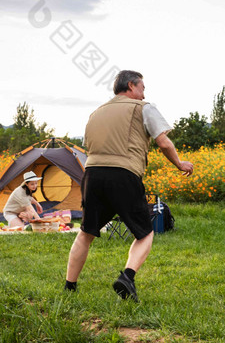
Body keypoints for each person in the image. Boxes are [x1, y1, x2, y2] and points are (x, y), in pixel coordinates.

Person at [65, 70, 194, 301]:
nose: (144, 93)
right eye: (143, 88)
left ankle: (69, 286)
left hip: (92, 175)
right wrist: (179, 163)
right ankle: (127, 277)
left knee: (86, 232)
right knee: (145, 233)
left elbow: (88, 146)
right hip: (124, 175)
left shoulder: (96, 113)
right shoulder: (143, 107)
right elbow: (163, 142)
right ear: (132, 86)